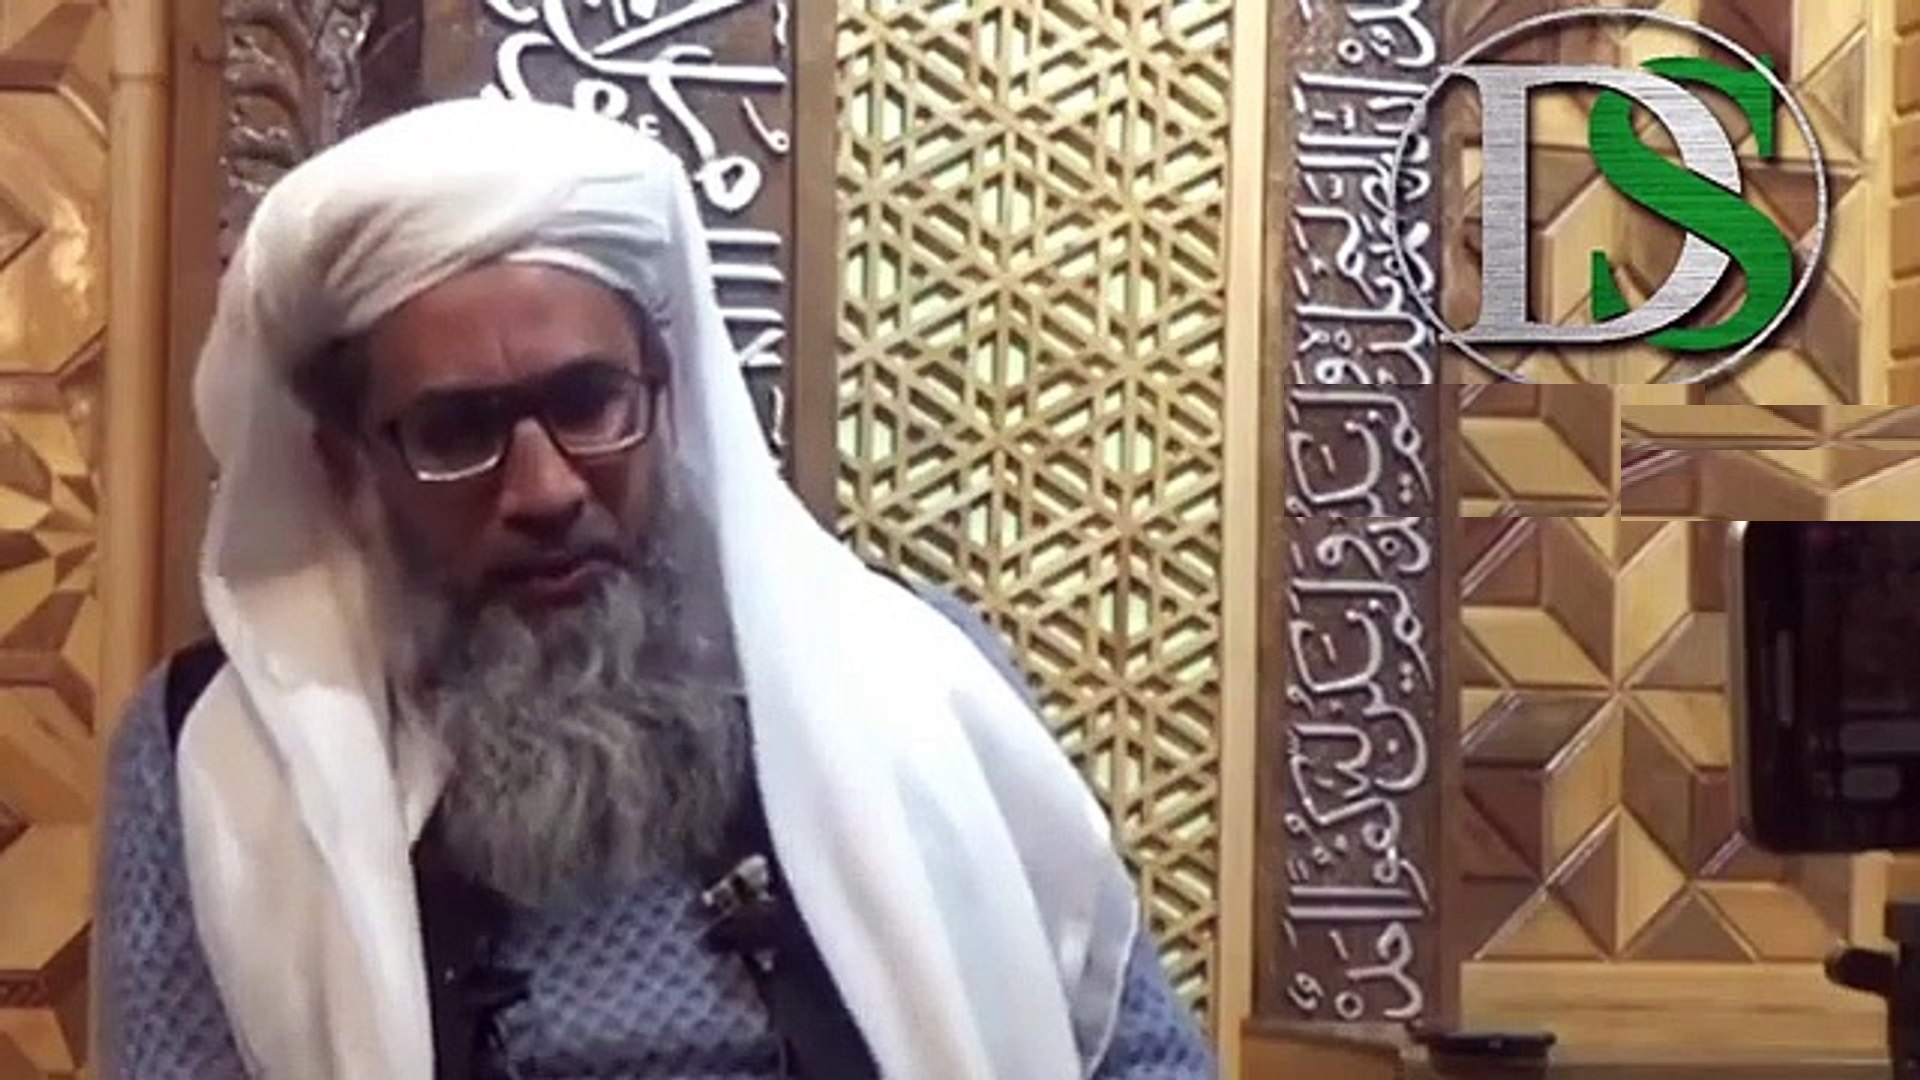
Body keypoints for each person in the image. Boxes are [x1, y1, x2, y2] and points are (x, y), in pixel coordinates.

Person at [93, 97, 1216, 1079]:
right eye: (457, 431)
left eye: (588, 403)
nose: (544, 489)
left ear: (666, 399)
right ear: (347, 469)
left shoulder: (918, 686)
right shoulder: (219, 756)